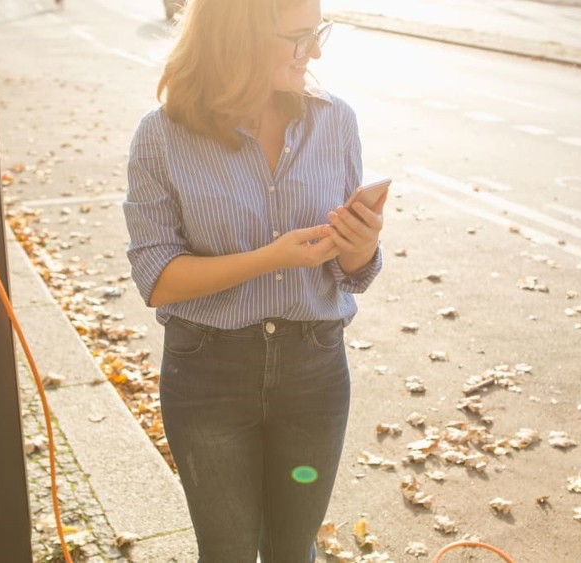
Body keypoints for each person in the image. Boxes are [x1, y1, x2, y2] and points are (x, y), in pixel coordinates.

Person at [124, 0, 386, 560]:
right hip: (208, 374)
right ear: (236, 35)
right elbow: (157, 278)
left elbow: (349, 273)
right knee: (228, 553)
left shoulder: (335, 120)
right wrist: (269, 258)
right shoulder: (161, 135)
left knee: (293, 551)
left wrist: (361, 246)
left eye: (318, 34)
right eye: (299, 38)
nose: (314, 53)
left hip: (314, 370)